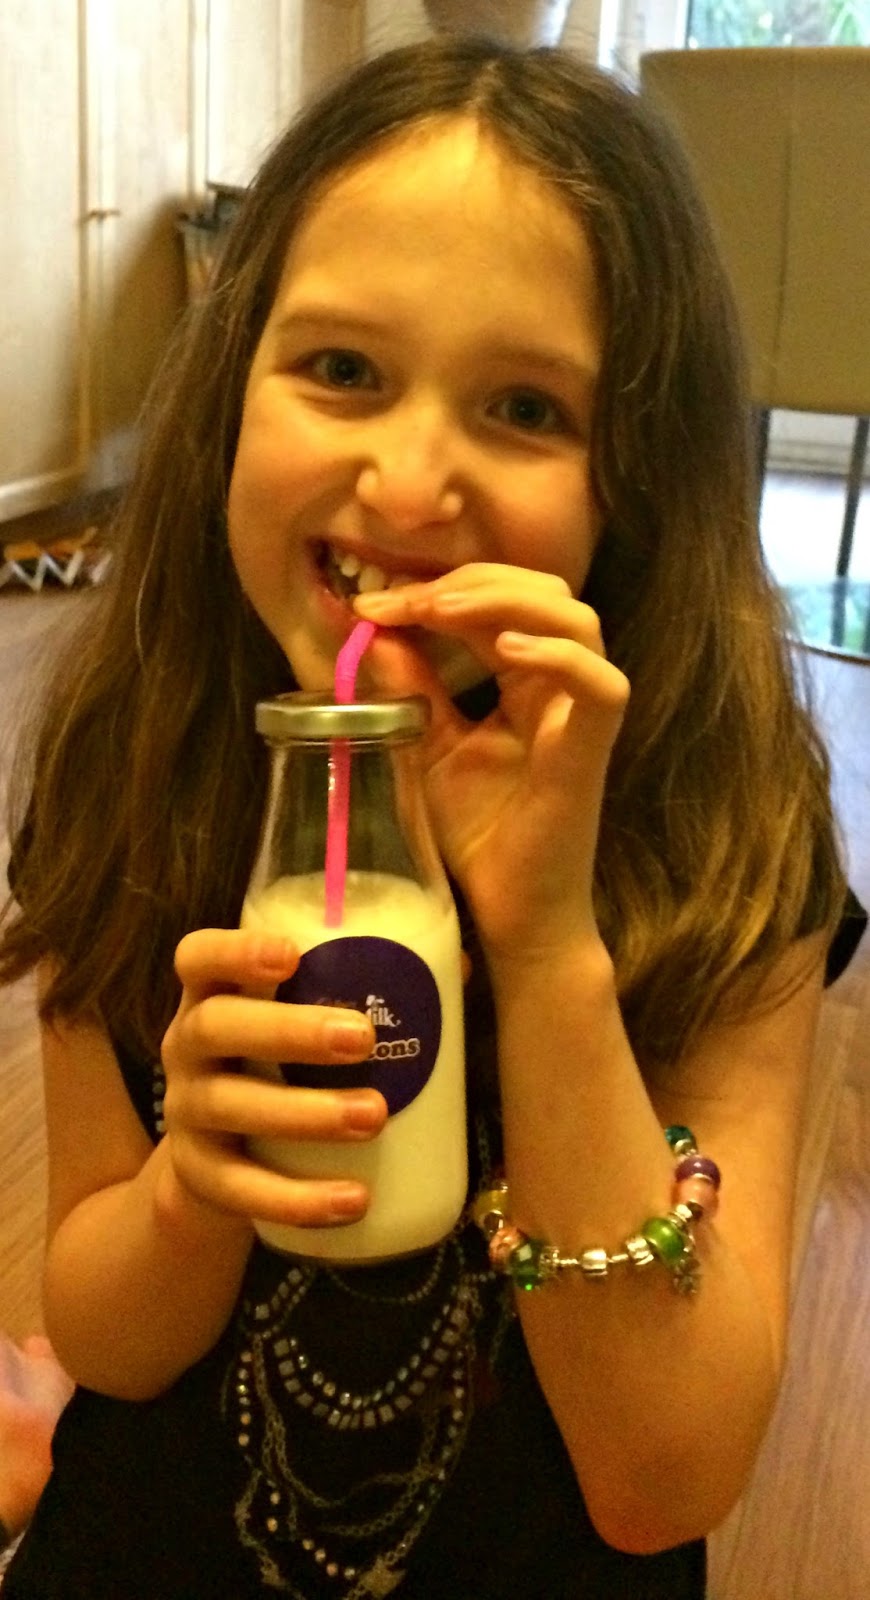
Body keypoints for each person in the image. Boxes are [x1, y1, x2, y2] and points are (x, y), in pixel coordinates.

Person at [0, 35, 863, 1600]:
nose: (407, 488)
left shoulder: (723, 838)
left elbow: (663, 1479)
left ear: (635, 480)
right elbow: (106, 1336)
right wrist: (191, 1187)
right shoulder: (137, 769)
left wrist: (545, 953)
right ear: (229, 391)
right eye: (340, 370)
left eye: (524, 406)